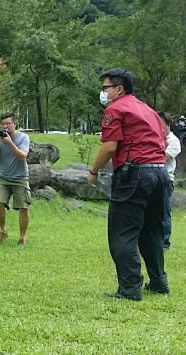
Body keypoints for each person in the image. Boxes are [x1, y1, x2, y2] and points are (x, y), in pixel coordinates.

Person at [86, 68, 170, 301]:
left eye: (105, 88)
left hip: (134, 173)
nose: (103, 92)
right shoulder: (148, 110)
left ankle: (130, 288)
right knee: (152, 229)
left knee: (122, 232)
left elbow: (111, 146)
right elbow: (162, 141)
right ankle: (159, 281)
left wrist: (93, 171)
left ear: (119, 89)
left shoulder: (115, 109)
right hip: (159, 173)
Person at [0, 112, 31, 245]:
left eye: (8, 124)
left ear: (14, 124)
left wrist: (9, 143)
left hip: (20, 178)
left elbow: (22, 156)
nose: (5, 127)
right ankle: (3, 231)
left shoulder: (23, 137)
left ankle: (22, 237)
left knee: (23, 208)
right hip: (3, 177)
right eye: (3, 124)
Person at [157, 112, 181, 251]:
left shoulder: (173, 141)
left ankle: (165, 242)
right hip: (152, 178)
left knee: (164, 211)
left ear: (167, 124)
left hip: (166, 180)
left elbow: (162, 158)